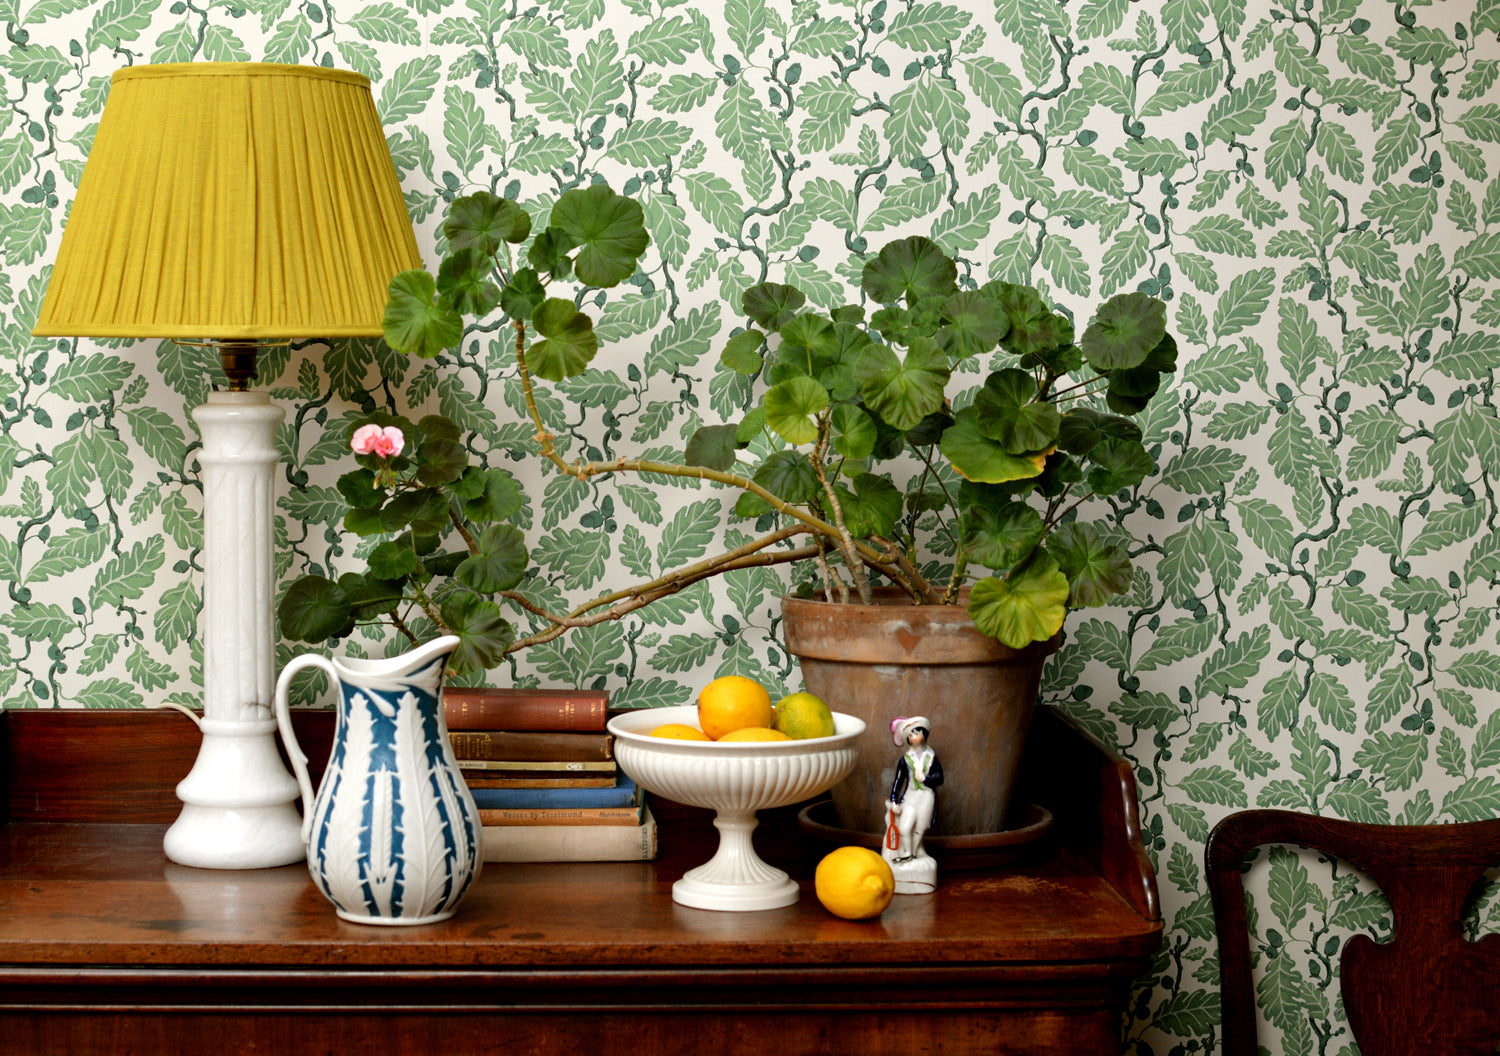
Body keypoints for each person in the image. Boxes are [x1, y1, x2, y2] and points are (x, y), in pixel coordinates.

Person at [884, 716, 942, 881]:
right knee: (904, 827)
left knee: (920, 827)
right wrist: (894, 800)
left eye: (916, 733)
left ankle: (912, 854)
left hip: (926, 797)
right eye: (910, 735)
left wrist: (925, 779)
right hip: (910, 796)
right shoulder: (905, 759)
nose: (913, 737)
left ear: (924, 733)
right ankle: (907, 851)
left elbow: (940, 779)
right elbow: (898, 781)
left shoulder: (931, 757)